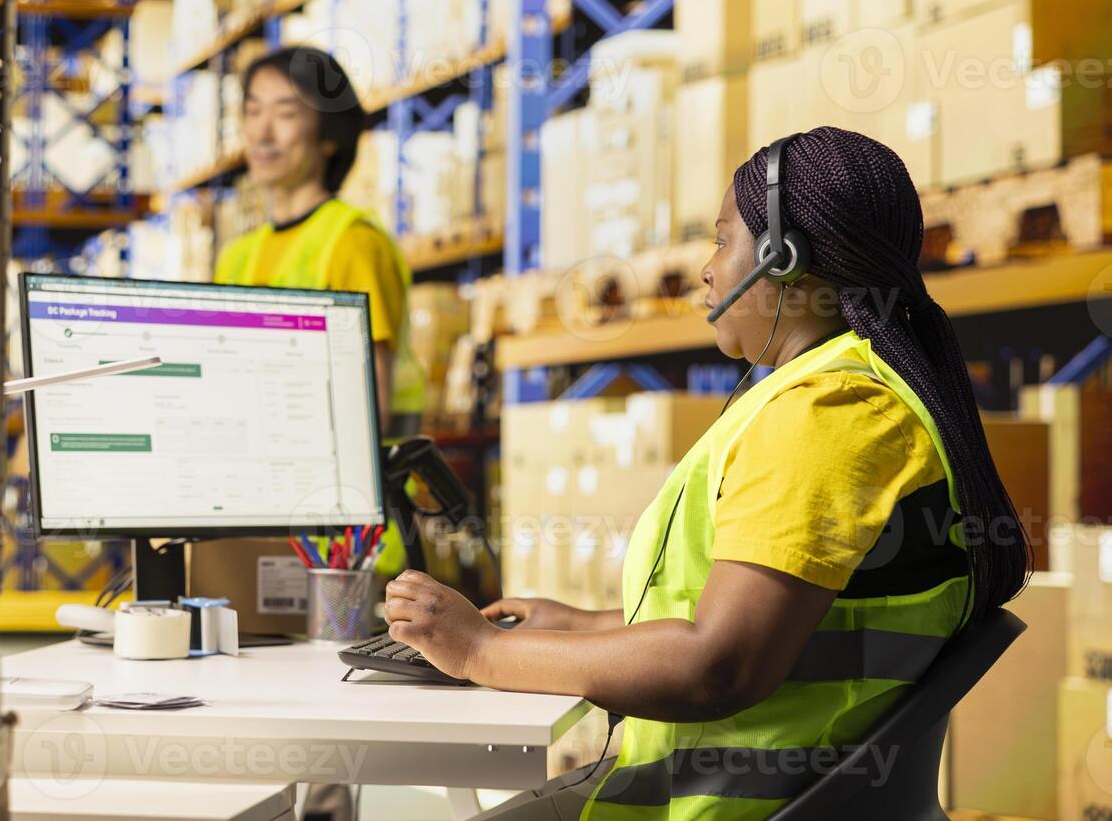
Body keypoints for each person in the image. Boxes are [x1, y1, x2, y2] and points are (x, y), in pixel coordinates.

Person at [382, 127, 1032, 820]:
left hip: (718, 807)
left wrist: (479, 651)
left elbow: (718, 663)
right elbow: (754, 614)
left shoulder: (827, 415)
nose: (707, 268)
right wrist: (581, 625)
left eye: (723, 241)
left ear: (784, 256)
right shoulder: (831, 395)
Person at [214, 45, 425, 438]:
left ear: (330, 137)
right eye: (253, 111)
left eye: (286, 114)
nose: (262, 132)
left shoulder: (353, 242)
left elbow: (369, 409)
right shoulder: (235, 257)